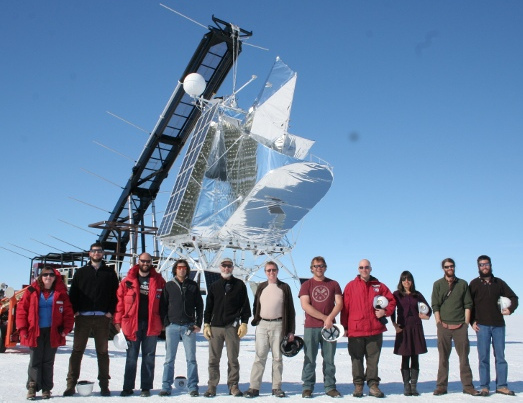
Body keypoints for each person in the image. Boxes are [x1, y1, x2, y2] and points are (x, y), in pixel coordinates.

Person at [63, 242, 119, 396]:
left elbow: (116, 294)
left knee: (102, 352)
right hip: (83, 318)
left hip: (102, 318)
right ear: (90, 253)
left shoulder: (110, 273)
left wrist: (110, 311)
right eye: (94, 251)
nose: (96, 253)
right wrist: (75, 311)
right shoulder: (81, 273)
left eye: (99, 251)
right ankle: (71, 385)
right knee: (77, 351)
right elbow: (73, 293)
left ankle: (104, 385)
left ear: (102, 253)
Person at [16, 266, 74, 400]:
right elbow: (21, 311)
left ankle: (47, 388)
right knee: (35, 360)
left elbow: (68, 313)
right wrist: (23, 329)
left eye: (51, 275)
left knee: (48, 360)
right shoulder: (31, 291)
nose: (48, 277)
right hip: (35, 331)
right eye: (45, 275)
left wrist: (66, 329)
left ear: (55, 278)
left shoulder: (61, 293)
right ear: (41, 277)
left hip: (53, 332)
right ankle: (32, 387)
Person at [340, 259, 396, 398]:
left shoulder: (379, 286)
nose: (364, 269)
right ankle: (358, 385)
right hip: (356, 329)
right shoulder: (350, 286)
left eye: (366, 267)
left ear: (370, 269)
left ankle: (373, 385)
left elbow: (392, 301)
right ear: (358, 269)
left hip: (374, 329)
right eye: (361, 267)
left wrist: (385, 312)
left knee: (373, 359)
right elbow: (345, 308)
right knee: (356, 359)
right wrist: (345, 327)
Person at [114, 253, 166, 397]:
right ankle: (128, 387)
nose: (145, 263)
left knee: (149, 356)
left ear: (151, 263)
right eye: (143, 261)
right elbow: (119, 303)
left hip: (152, 323)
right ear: (139, 261)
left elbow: (164, 303)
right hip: (132, 324)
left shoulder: (159, 280)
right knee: (131, 356)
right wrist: (117, 321)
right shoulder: (128, 281)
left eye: (148, 261)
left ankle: (146, 387)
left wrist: (164, 321)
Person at [244, 261, 296, 398]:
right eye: (268, 270)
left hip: (279, 325)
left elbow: (290, 310)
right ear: (265, 272)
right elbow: (256, 304)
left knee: (277, 358)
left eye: (273, 270)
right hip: (262, 325)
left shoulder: (284, 287)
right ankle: (254, 387)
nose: (271, 272)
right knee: (259, 357)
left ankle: (276, 388)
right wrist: (256, 319)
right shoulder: (261, 287)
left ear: (277, 271)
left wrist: (291, 331)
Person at [469, 255, 519, 396]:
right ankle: (484, 386)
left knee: (500, 357)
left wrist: (510, 309)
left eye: (486, 264)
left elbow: (514, 297)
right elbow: (468, 305)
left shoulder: (499, 283)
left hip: (498, 325)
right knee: (483, 357)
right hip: (482, 326)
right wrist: (471, 321)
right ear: (478, 267)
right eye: (481, 265)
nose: (484, 267)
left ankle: (501, 385)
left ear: (490, 265)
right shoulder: (474, 284)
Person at [202, 257, 251, 398]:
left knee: (233, 359)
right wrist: (206, 324)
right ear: (220, 267)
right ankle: (212, 386)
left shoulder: (239, 285)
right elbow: (209, 307)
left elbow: (245, 306)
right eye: (224, 265)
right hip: (215, 327)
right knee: (213, 359)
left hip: (232, 327)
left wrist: (244, 322)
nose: (226, 268)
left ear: (233, 268)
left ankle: (233, 385)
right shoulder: (214, 286)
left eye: (229, 266)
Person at [431, 258, 480, 396]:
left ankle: (468, 386)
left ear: (454, 267)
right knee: (443, 358)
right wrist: (438, 323)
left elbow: (468, 304)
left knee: (464, 358)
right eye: (447, 267)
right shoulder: (438, 284)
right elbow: (435, 305)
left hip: (460, 326)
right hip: (444, 326)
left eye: (451, 266)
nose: (449, 268)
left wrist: (465, 324)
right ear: (443, 269)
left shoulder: (462, 284)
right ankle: (441, 386)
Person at [299, 256, 343, 398]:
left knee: (329, 358)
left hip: (330, 328)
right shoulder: (306, 285)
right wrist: (325, 318)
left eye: (321, 266)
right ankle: (307, 387)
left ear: (325, 267)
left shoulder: (333, 284)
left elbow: (339, 303)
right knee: (309, 358)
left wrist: (329, 318)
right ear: (311, 268)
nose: (319, 268)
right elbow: (305, 305)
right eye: (316, 266)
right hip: (311, 327)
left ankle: (330, 387)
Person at [160, 259, 204, 397]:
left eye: (184, 267)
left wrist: (198, 323)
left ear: (187, 270)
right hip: (172, 326)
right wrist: (166, 322)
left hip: (188, 326)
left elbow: (199, 305)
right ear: (175, 269)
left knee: (191, 359)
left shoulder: (192, 286)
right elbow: (163, 305)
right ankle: (166, 387)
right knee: (169, 359)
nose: (182, 269)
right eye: (179, 267)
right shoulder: (169, 285)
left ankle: (192, 387)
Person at [391, 270, 431, 396]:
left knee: (415, 356)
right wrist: (394, 324)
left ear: (412, 281)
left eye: (408, 279)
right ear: (401, 281)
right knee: (405, 356)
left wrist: (426, 316)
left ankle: (414, 386)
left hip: (416, 328)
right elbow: (391, 310)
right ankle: (406, 386)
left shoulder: (417, 294)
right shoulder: (397, 294)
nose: (406, 282)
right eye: (404, 279)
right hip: (403, 328)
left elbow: (428, 309)